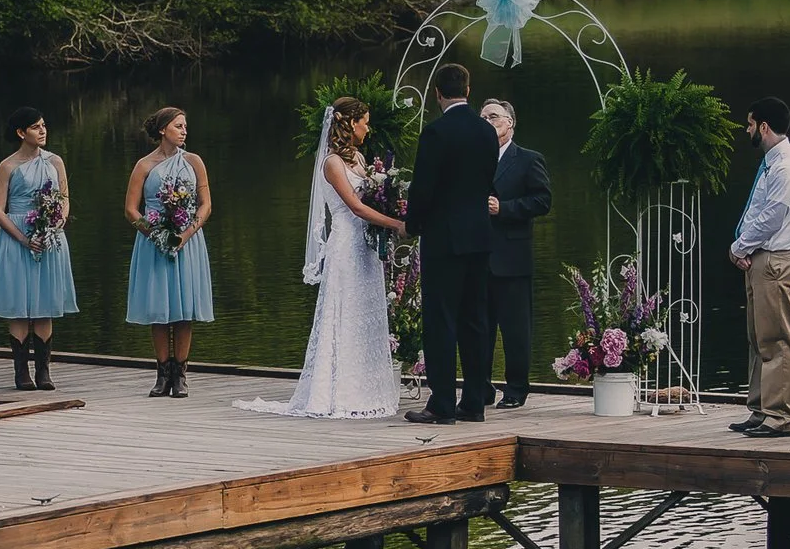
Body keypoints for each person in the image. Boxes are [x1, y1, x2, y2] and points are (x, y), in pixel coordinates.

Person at [234, 96, 407, 419]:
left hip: (366, 246)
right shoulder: (332, 163)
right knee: (344, 312)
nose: (368, 129)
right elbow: (355, 207)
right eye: (365, 122)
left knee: (366, 312)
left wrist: (391, 201)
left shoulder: (357, 156)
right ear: (350, 124)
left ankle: (367, 390)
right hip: (345, 245)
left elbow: (372, 197)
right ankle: (338, 393)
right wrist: (396, 223)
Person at [402, 62, 500, 425]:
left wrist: (412, 224)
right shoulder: (487, 132)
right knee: (475, 320)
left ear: (437, 93)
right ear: (469, 90)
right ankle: (474, 402)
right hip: (479, 236)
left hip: (444, 238)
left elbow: (423, 188)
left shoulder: (435, 133)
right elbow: (487, 179)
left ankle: (442, 403)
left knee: (440, 319)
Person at [728, 97, 790, 438]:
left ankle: (781, 415)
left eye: (749, 124)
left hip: (775, 261)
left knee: (778, 339)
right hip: (760, 260)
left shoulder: (787, 166)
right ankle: (761, 408)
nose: (747, 130)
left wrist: (739, 247)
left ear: (763, 126)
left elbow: (772, 217)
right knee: (758, 337)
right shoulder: (771, 163)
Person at [0, 106, 78, 390]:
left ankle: (44, 371)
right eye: (36, 127)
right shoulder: (8, 166)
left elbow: (64, 199)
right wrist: (24, 239)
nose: (43, 131)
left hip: (49, 236)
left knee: (44, 304)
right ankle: (21, 371)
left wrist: (55, 224)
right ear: (21, 133)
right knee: (19, 306)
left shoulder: (55, 161)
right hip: (16, 236)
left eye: (44, 125)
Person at [124, 107, 214, 397]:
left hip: (187, 242)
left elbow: (205, 204)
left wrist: (186, 234)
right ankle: (162, 374)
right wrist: (155, 235)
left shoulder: (194, 161)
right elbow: (130, 210)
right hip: (154, 243)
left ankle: (181, 375)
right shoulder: (144, 166)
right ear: (163, 130)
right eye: (178, 126)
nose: (184, 131)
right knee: (159, 310)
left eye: (185, 126)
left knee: (184, 310)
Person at [482, 99, 553, 409]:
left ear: (509, 123)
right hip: (476, 255)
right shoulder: (471, 158)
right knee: (478, 328)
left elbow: (542, 200)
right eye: (482, 116)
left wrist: (505, 208)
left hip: (511, 257)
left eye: (494, 116)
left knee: (515, 330)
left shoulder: (527, 159)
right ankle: (480, 388)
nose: (487, 121)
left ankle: (516, 390)